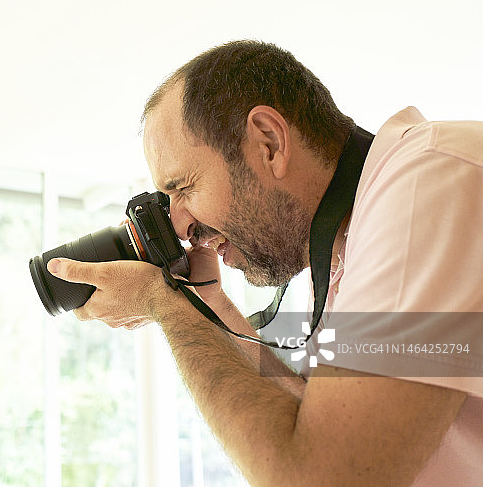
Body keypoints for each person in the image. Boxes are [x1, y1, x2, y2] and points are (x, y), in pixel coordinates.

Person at [46, 40, 483, 486]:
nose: (178, 223)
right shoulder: (340, 257)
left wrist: (166, 305)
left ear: (269, 143)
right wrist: (207, 305)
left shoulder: (427, 184)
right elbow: (313, 421)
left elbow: (321, 476)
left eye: (183, 187)